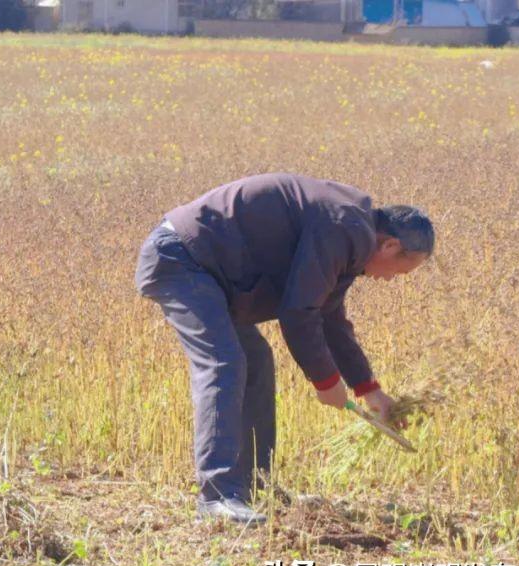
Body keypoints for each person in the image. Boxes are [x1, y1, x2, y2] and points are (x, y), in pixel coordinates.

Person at [134, 173, 434, 525]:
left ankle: (255, 486)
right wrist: (325, 382)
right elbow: (298, 312)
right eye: (401, 271)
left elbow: (329, 317)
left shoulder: (350, 231)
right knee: (224, 363)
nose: (391, 280)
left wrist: (369, 389)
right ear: (390, 246)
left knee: (256, 361)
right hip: (182, 260)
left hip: (211, 275)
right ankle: (218, 497)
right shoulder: (345, 225)